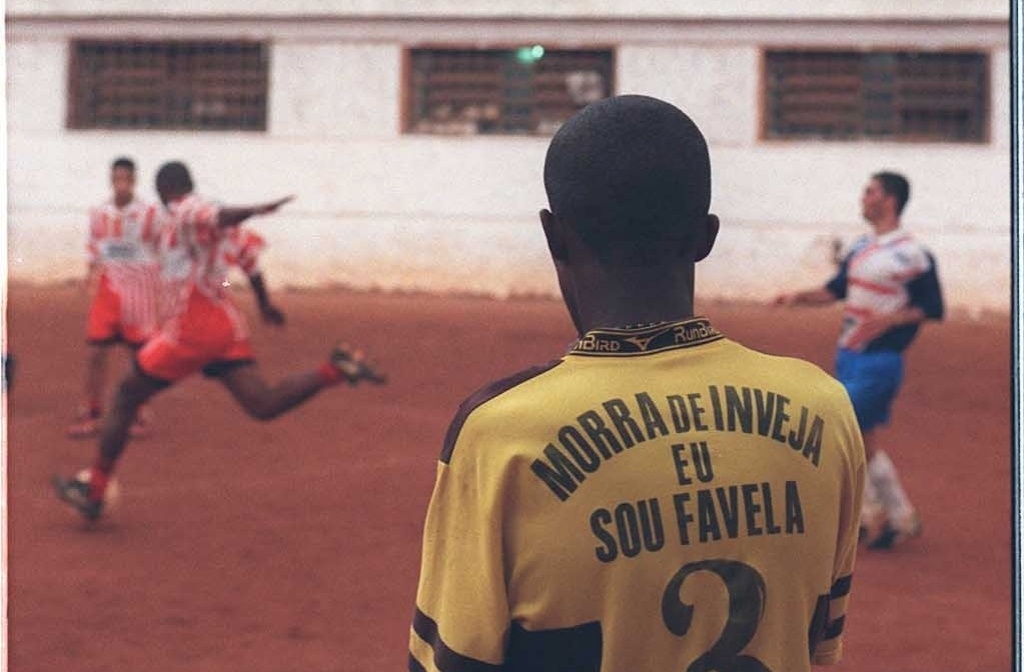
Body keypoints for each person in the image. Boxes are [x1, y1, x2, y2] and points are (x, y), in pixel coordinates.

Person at [408, 95, 865, 672]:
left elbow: (453, 663)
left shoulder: (498, 433)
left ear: (554, 236)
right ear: (705, 236)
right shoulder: (823, 408)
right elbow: (819, 647)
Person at [53, 160, 386, 522]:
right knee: (262, 403)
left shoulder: (184, 210)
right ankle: (334, 370)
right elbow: (249, 260)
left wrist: (252, 210)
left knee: (127, 394)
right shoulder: (215, 225)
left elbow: (211, 215)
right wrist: (265, 304)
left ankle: (95, 490)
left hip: (191, 329)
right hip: (224, 326)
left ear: (166, 194)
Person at [773, 171, 943, 549]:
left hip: (880, 360)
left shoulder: (912, 253)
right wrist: (796, 297)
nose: (863, 197)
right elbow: (834, 290)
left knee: (838, 426)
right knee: (864, 442)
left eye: (871, 192)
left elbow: (933, 307)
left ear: (890, 200)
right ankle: (900, 515)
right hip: (849, 354)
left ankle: (868, 516)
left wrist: (891, 319)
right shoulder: (862, 247)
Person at [68, 157, 164, 440]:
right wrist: (89, 276)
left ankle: (140, 410)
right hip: (109, 291)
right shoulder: (99, 212)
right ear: (111, 180)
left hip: (140, 294)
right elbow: (94, 246)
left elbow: (164, 248)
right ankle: (91, 410)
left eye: (126, 179)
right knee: (95, 353)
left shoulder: (151, 214)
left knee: (139, 356)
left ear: (134, 181)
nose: (121, 185)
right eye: (116, 179)